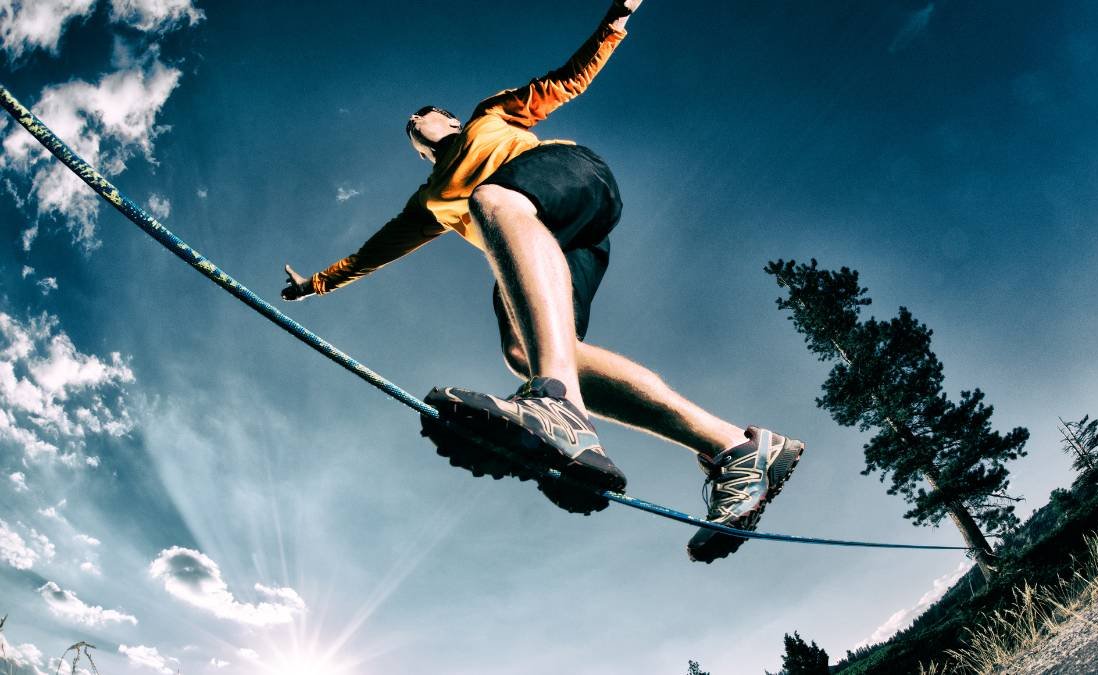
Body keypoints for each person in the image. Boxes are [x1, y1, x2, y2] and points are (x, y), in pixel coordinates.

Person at [281, 0, 804, 563]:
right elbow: (373, 252)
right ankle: (736, 450)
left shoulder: (487, 118)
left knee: (491, 199)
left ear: (449, 121)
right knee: (526, 351)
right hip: (545, 248)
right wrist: (316, 285)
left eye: (423, 115)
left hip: (573, 182)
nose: (415, 123)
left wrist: (614, 22)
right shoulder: (428, 201)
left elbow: (564, 81)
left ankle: (558, 407)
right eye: (411, 130)